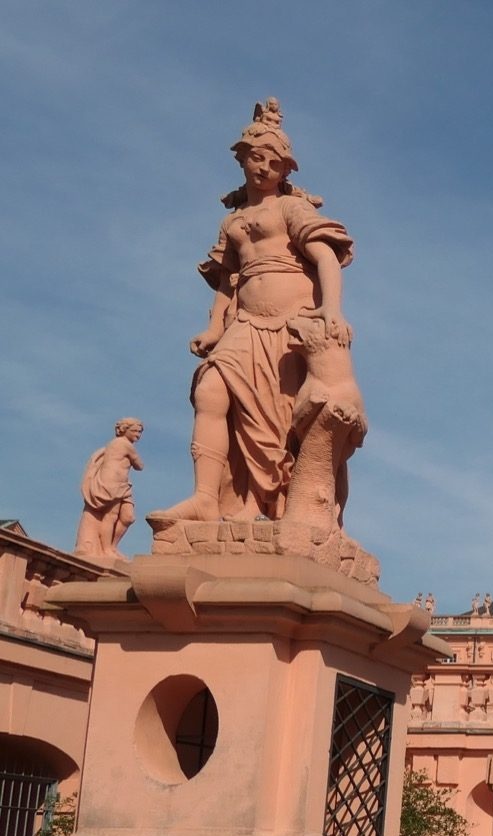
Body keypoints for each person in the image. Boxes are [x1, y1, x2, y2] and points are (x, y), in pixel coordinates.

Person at [150, 100, 356, 531]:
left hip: (289, 325)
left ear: (285, 170)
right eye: (254, 158)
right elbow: (230, 279)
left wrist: (330, 310)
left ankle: (293, 506)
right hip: (243, 324)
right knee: (210, 389)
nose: (261, 167)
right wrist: (213, 327)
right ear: (242, 160)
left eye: (272, 161)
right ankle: (206, 498)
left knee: (287, 425)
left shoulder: (290, 210)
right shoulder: (233, 222)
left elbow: (326, 258)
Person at [75, 419, 145, 561]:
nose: (138, 435)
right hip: (112, 484)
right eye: (135, 431)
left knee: (128, 517)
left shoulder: (118, 445)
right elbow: (139, 465)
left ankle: (112, 546)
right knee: (111, 516)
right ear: (125, 430)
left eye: (140, 432)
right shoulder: (123, 444)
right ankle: (107, 549)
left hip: (123, 485)